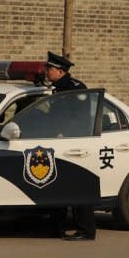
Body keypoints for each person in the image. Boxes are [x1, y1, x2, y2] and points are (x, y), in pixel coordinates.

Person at [45, 51, 96, 241]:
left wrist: (64, 132)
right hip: (56, 145)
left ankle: (86, 230)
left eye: (49, 69)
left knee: (79, 187)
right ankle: (56, 228)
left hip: (75, 145)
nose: (47, 72)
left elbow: (81, 118)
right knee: (56, 187)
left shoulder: (76, 88)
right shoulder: (55, 88)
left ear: (60, 71)